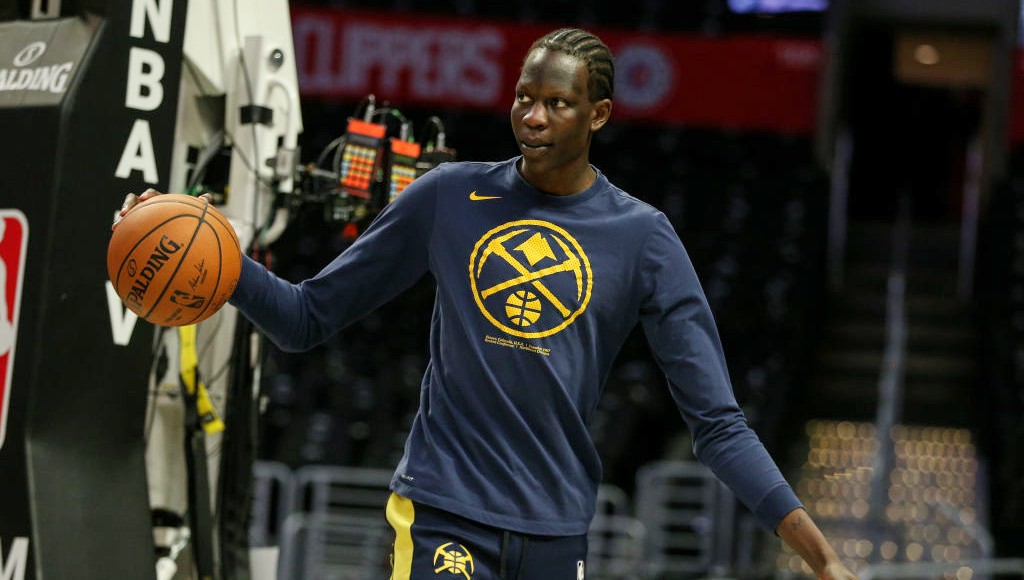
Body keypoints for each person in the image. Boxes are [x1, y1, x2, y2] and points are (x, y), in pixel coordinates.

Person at [116, 27, 856, 580]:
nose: (532, 117)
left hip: (556, 532)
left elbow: (719, 425)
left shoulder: (644, 240)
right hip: (443, 513)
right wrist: (212, 255)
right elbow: (307, 318)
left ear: (597, 115)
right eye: (523, 99)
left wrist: (819, 558)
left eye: (557, 104)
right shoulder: (448, 196)